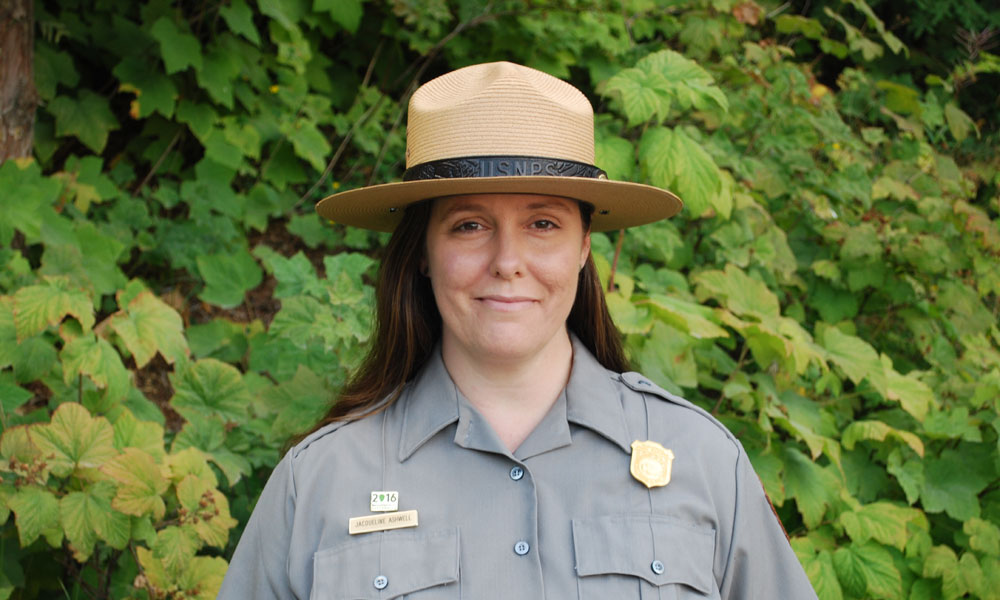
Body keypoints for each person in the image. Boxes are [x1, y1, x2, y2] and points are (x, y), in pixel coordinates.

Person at [218, 61, 818, 599]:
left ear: (584, 246)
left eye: (542, 223)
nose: (508, 260)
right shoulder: (318, 481)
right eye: (470, 225)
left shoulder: (703, 462)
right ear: (423, 250)